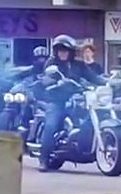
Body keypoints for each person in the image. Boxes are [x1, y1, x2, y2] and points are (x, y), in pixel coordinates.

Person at [39, 34, 106, 172]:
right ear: (56, 52)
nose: (62, 53)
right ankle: (44, 159)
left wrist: (108, 83)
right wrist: (55, 81)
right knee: (51, 125)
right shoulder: (52, 64)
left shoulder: (79, 65)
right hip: (57, 101)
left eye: (65, 50)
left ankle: (82, 144)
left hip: (77, 100)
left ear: (71, 52)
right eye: (60, 50)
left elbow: (93, 77)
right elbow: (46, 78)